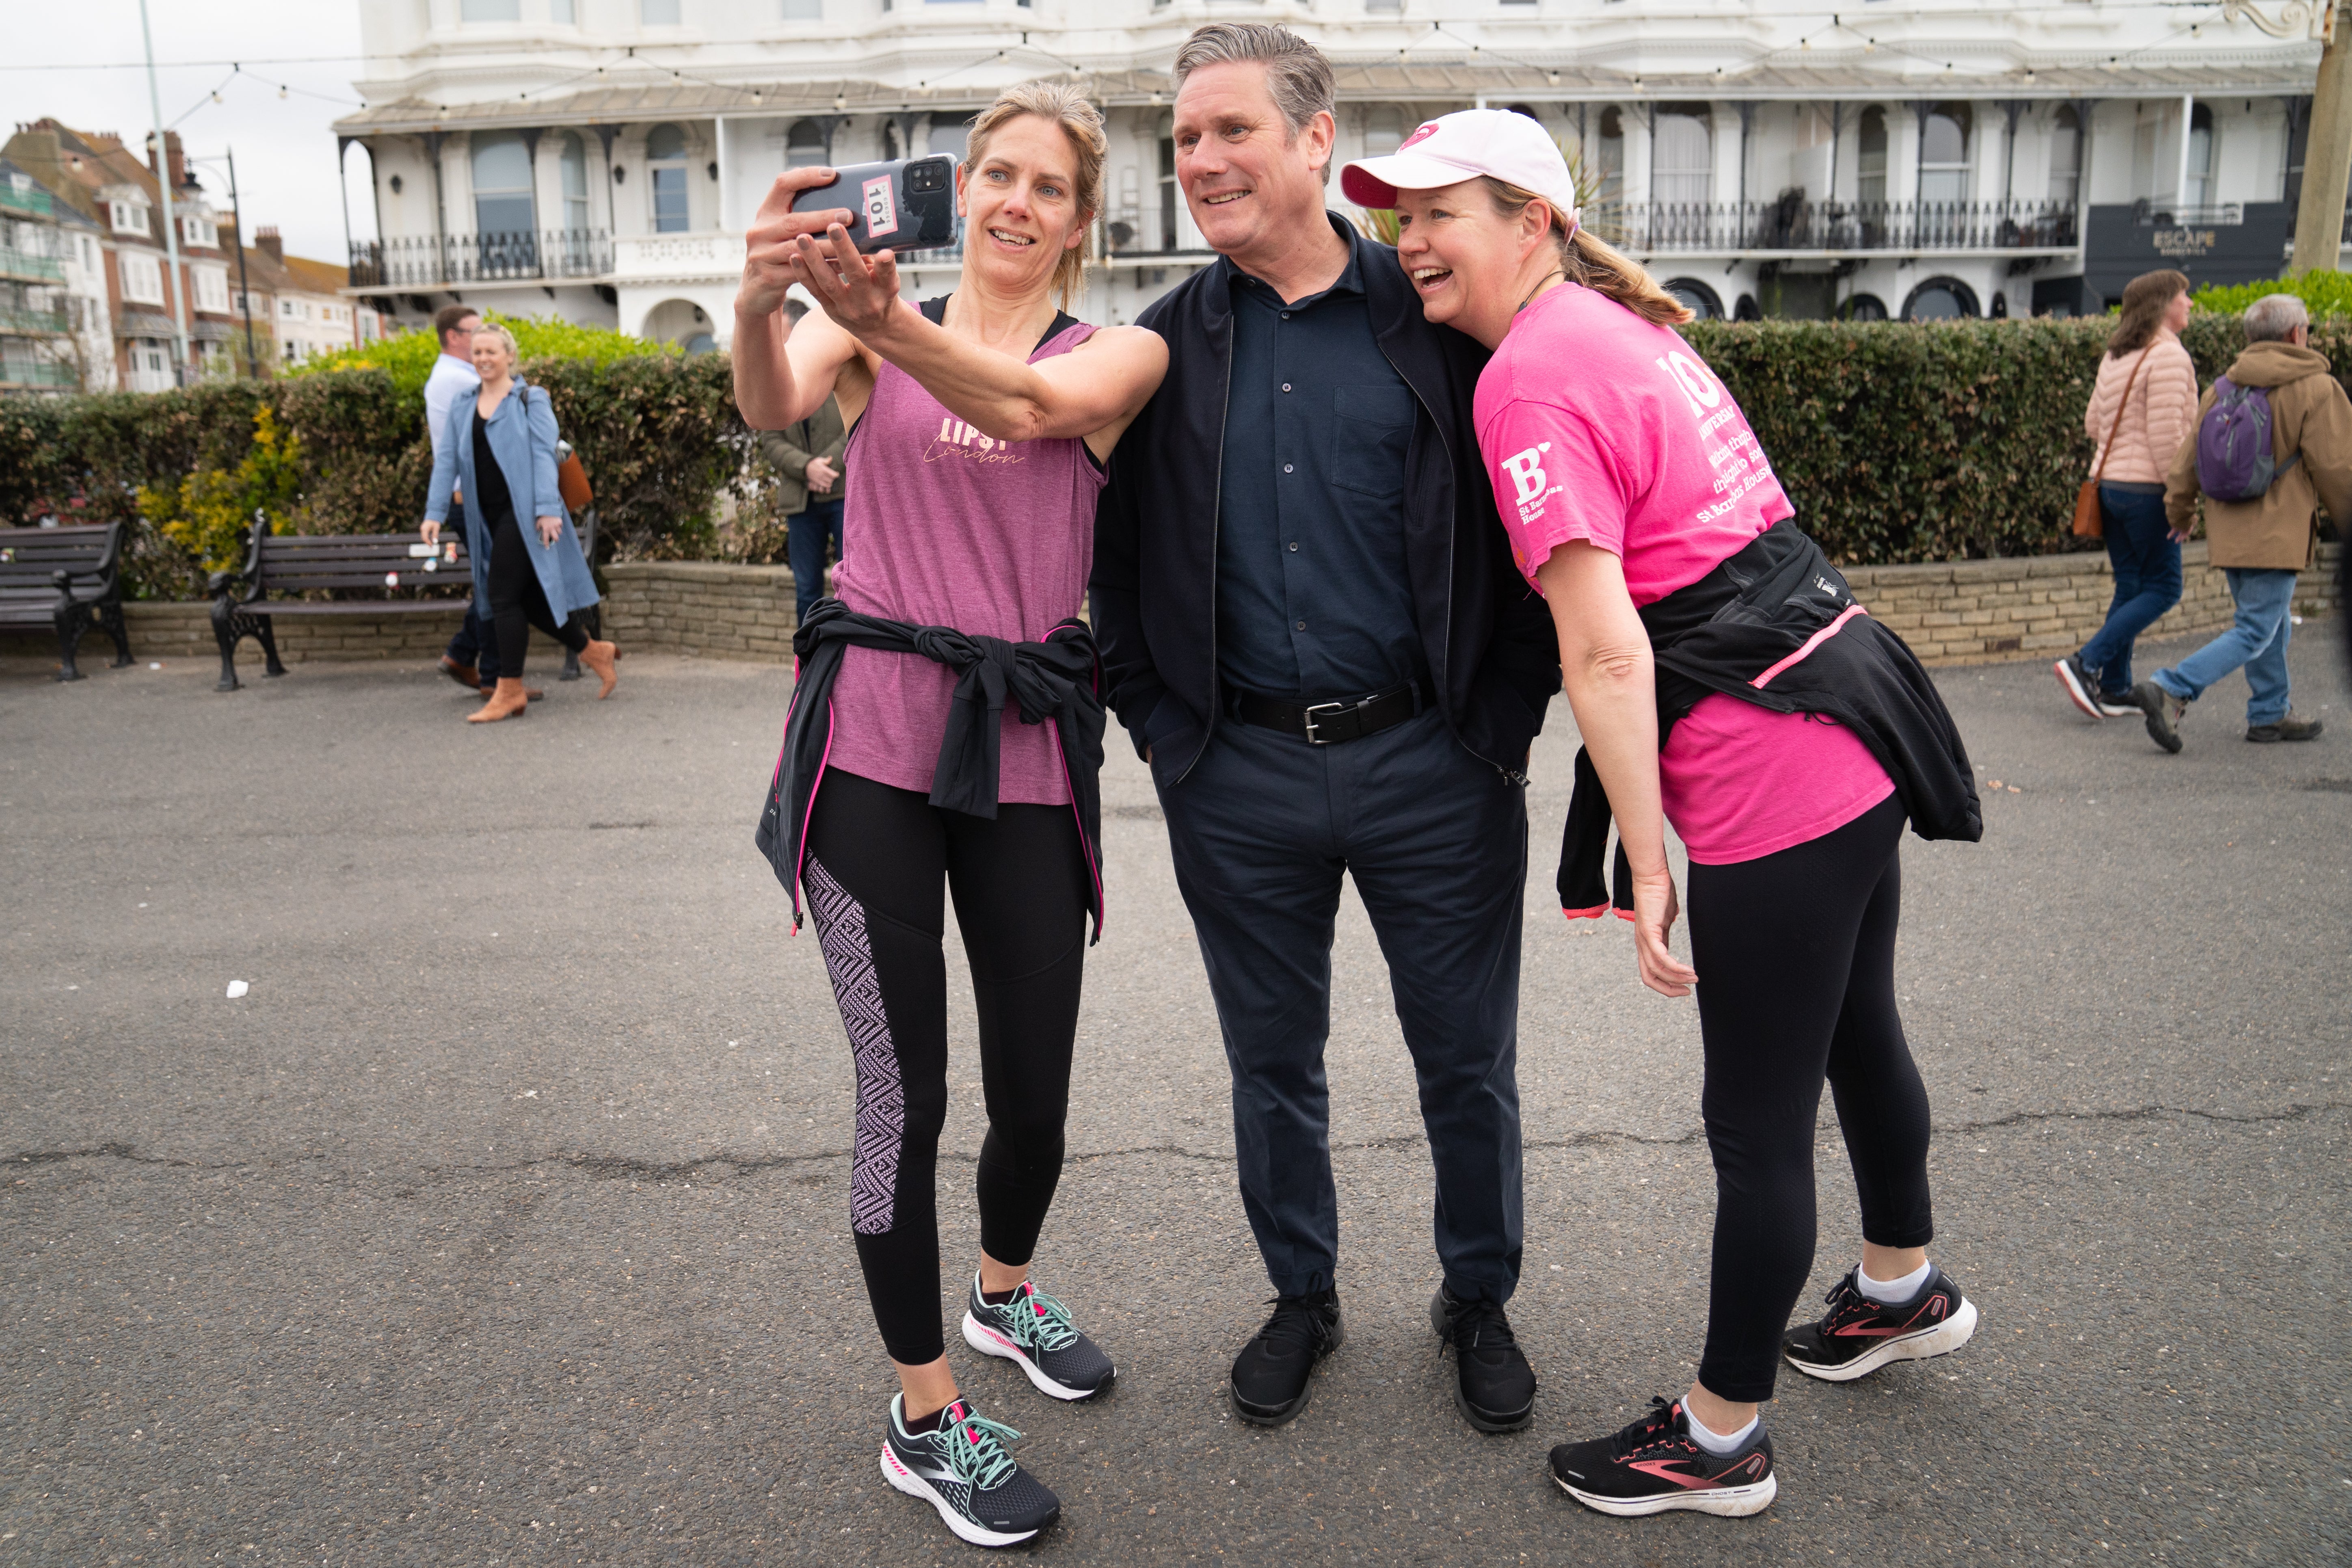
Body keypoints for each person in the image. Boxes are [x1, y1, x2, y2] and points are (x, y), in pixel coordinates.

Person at [1346, 109, 1983, 1518]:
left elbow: (1607, 649)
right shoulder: (1624, 328)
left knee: (1756, 1126)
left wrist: (1647, 855)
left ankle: (1718, 1437)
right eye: (1400, 219)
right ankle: (1900, 1284)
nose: (1410, 243)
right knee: (1858, 1028)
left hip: (1776, 772)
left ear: (1531, 223)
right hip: (1855, 720)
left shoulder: (1524, 381)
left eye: (1439, 212)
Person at [1091, 25, 1562, 1438]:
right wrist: (1170, 735)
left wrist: (1498, 724)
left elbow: (1536, 520)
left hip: (1436, 766)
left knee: (1466, 1060)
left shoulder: (1436, 322)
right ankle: (1303, 1294)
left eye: (1231, 129)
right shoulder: (1162, 346)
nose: (1202, 160)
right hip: (1235, 775)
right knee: (1269, 1063)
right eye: (1182, 140)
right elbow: (1109, 564)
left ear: (1316, 141)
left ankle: (1476, 1296)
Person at [733, 80, 1168, 1550]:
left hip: (1028, 749)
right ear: (963, 183)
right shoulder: (856, 324)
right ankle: (923, 1415)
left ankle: (998, 1293)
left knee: (1033, 1091)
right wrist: (758, 299)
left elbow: (1037, 410)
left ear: (1077, 219)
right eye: (996, 173)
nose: (1014, 202)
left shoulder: (1116, 352)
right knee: (899, 1097)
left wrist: (880, 315)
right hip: (869, 745)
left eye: (1048, 184)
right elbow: (769, 401)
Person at [2132, 291, 2350, 750]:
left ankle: (2269, 713)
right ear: (2296, 334)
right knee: (2256, 627)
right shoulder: (2314, 388)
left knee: (2268, 623)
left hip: (2229, 530)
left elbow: (2184, 461)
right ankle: (2172, 686)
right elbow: (2338, 468)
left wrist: (2181, 512)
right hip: (2278, 531)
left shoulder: (2223, 388)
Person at [422, 323, 616, 722]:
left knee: (501, 596)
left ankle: (509, 689)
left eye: (491, 352)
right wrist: (434, 513)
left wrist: (547, 509)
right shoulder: (463, 402)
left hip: (527, 513)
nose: (483, 359)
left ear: (510, 355)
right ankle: (594, 650)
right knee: (525, 599)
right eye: (477, 353)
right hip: (486, 517)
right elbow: (446, 462)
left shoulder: (530, 398)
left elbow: (545, 455)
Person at [2053, 270, 2199, 721]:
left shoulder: (2116, 356)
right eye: (2183, 296)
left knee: (2132, 584)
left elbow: (2093, 426)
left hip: (2111, 489)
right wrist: (2182, 504)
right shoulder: (2169, 358)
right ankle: (2085, 662)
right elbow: (2166, 444)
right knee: (2164, 587)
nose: (2189, 305)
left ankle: (2114, 687)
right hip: (2148, 492)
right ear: (2162, 305)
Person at [419, 304, 519, 699]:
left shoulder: (454, 376)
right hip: (473, 498)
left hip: (480, 497)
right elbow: (449, 456)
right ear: (454, 337)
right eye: (475, 334)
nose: (481, 342)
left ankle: (466, 657)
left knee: (494, 583)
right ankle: (494, 678)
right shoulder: (456, 379)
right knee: (496, 586)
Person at [756, 300, 847, 627]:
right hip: (801, 502)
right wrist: (808, 467)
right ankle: (806, 668)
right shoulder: (773, 380)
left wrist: (827, 467)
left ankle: (850, 664)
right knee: (806, 591)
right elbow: (771, 440)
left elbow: (855, 425)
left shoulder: (837, 365)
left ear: (799, 328)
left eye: (779, 331)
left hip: (842, 496)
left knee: (851, 590)